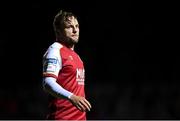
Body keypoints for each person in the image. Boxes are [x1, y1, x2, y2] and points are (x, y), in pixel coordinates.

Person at [42, 9, 92, 120]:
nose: (75, 30)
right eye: (69, 27)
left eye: (77, 26)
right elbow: (48, 83)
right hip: (62, 118)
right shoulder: (55, 50)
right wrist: (71, 97)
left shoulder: (77, 57)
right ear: (58, 31)